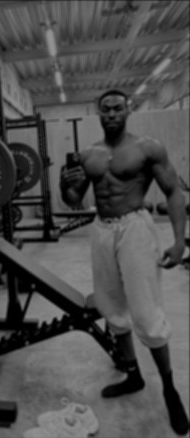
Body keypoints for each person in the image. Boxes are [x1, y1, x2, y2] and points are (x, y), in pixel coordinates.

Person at [60, 89, 188, 435]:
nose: (112, 114)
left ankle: (170, 388)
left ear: (127, 109)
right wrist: (64, 184)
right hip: (101, 230)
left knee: (146, 312)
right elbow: (73, 201)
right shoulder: (89, 155)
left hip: (135, 227)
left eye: (118, 108)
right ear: (98, 113)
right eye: (106, 109)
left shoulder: (148, 148)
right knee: (112, 306)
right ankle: (133, 375)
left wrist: (178, 241)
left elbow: (175, 193)